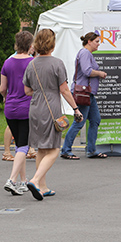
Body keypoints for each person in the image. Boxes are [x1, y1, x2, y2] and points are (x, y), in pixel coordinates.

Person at [23, 29, 83, 200]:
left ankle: (42, 186)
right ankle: (34, 180)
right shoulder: (57, 63)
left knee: (42, 148)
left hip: (35, 107)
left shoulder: (31, 64)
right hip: (51, 107)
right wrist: (75, 108)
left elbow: (27, 90)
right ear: (52, 43)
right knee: (54, 149)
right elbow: (64, 89)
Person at [59, 32, 108, 160]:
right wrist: (100, 73)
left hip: (87, 93)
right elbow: (87, 71)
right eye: (97, 41)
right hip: (84, 93)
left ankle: (91, 150)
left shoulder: (85, 53)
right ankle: (66, 149)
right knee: (79, 122)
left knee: (95, 119)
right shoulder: (85, 53)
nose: (98, 44)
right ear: (89, 42)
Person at [1, 30, 34, 195]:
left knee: (20, 145)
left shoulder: (7, 63)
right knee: (24, 145)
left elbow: (2, 88)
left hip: (10, 108)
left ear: (16, 45)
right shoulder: (32, 63)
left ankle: (23, 181)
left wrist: (5, 97)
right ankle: (12, 179)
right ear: (30, 46)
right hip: (26, 108)